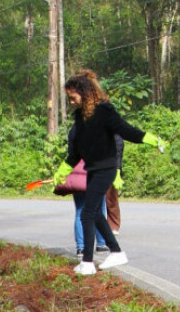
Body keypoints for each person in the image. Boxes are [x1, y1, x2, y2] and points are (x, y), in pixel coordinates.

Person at [52, 69, 165, 275]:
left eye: (72, 97)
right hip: (93, 168)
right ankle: (116, 252)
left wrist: (151, 139)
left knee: (87, 213)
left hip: (106, 168)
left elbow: (125, 130)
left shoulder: (104, 111)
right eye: (69, 98)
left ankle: (87, 263)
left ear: (84, 93)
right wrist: (63, 171)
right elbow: (75, 152)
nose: (71, 102)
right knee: (93, 212)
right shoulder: (80, 117)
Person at [52, 159, 109, 257]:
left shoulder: (75, 143)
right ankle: (101, 244)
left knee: (80, 212)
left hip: (77, 178)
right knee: (99, 209)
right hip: (95, 175)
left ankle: (81, 248)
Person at [105, 134, 124, 235]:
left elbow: (118, 154)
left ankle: (113, 226)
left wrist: (117, 171)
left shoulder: (116, 135)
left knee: (111, 199)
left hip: (112, 170)